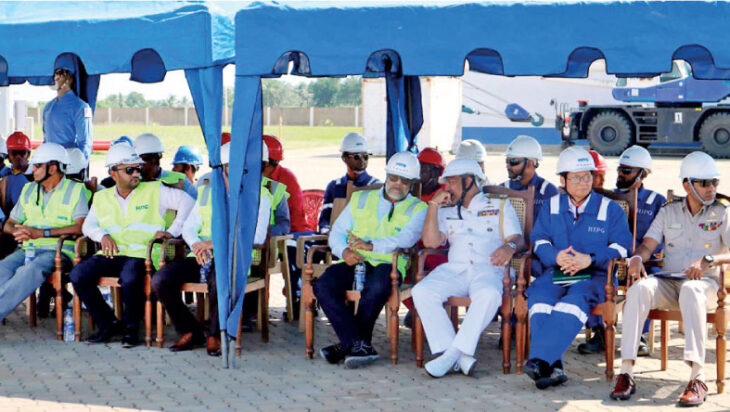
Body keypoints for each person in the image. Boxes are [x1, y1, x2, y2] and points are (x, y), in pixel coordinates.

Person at [610, 151, 729, 407]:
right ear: (687, 184)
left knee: (692, 291)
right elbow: (648, 244)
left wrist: (709, 260)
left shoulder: (722, 213)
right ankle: (627, 372)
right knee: (639, 289)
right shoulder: (669, 211)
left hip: (706, 285)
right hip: (670, 281)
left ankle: (698, 377)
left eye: (714, 183)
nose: (711, 188)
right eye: (704, 183)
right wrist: (638, 259)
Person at [524, 146, 632, 389]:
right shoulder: (551, 206)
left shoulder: (609, 208)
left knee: (572, 302)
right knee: (539, 296)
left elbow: (623, 247)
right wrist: (556, 256)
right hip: (558, 271)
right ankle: (553, 367)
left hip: (594, 276)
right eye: (576, 178)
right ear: (562, 180)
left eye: (587, 177)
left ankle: (540, 360)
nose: (584, 183)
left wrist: (591, 259)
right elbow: (539, 240)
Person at [152, 138, 271, 356]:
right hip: (201, 255)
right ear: (223, 170)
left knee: (220, 280)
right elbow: (189, 227)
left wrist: (214, 245)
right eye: (230, 169)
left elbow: (257, 235)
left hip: (234, 258)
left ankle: (216, 334)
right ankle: (190, 331)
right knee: (161, 280)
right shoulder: (207, 192)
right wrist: (197, 245)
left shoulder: (260, 197)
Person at [70, 143, 194, 348]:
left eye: (138, 168)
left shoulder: (155, 189)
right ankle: (107, 323)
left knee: (130, 278)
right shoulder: (102, 197)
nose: (136, 173)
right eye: (130, 170)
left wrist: (172, 232)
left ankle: (130, 330)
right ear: (113, 172)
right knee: (78, 275)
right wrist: (102, 236)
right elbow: (88, 226)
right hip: (111, 252)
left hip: (141, 254)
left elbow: (188, 203)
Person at [412, 158, 524, 377]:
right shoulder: (445, 211)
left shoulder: (500, 205)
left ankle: (450, 355)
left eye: (452, 182)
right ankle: (458, 356)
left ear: (469, 181)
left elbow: (517, 238)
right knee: (421, 291)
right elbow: (431, 242)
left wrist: (509, 248)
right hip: (456, 270)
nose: (447, 188)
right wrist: (433, 206)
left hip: (489, 269)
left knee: (490, 294)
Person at [315, 151, 426, 369]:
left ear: (412, 183)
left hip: (389, 264)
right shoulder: (361, 198)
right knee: (323, 285)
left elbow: (406, 238)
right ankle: (358, 344)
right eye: (393, 178)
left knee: (376, 287)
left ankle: (348, 345)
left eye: (404, 181)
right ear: (386, 176)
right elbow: (337, 232)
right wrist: (344, 251)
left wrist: (372, 245)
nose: (397, 184)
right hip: (355, 260)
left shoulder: (418, 208)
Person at [579, 145, 664, 356]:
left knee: (651, 278)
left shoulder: (657, 201)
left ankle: (640, 335)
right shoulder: (604, 197)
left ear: (642, 174)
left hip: (641, 261)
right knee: (590, 275)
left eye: (626, 170)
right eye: (619, 169)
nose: (619, 174)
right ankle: (599, 331)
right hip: (610, 258)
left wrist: (641, 255)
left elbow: (661, 239)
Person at [0, 143, 88, 321]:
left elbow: (81, 226)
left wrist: (43, 233)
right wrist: (18, 231)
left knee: (29, 271)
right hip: (28, 249)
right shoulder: (29, 189)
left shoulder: (76, 189)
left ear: (53, 168)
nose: (33, 170)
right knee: (2, 268)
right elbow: (8, 223)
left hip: (60, 251)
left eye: (38, 166)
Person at [318, 132, 380, 234]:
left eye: (366, 156)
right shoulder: (334, 186)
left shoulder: (376, 186)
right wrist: (326, 232)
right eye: (357, 157)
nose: (362, 161)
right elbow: (325, 219)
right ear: (344, 158)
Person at [42, 62, 93, 160]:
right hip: (50, 162)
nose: (55, 78)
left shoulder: (81, 107)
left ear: (69, 78)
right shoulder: (48, 107)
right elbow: (45, 140)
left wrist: (80, 165)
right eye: (54, 75)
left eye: (59, 74)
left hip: (70, 163)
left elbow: (85, 142)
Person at [502, 135, 558, 222]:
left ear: (530, 163)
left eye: (513, 162)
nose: (508, 166)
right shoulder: (502, 190)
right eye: (507, 161)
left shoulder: (548, 192)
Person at [133, 133, 197, 199]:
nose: (136, 165)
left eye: (139, 161)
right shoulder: (132, 183)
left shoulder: (180, 180)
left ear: (153, 161)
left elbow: (196, 203)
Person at [0, 132, 32, 257]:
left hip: (23, 224)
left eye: (22, 153)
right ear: (8, 156)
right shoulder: (7, 174)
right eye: (14, 153)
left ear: (28, 154)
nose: (18, 157)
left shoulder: (37, 173)